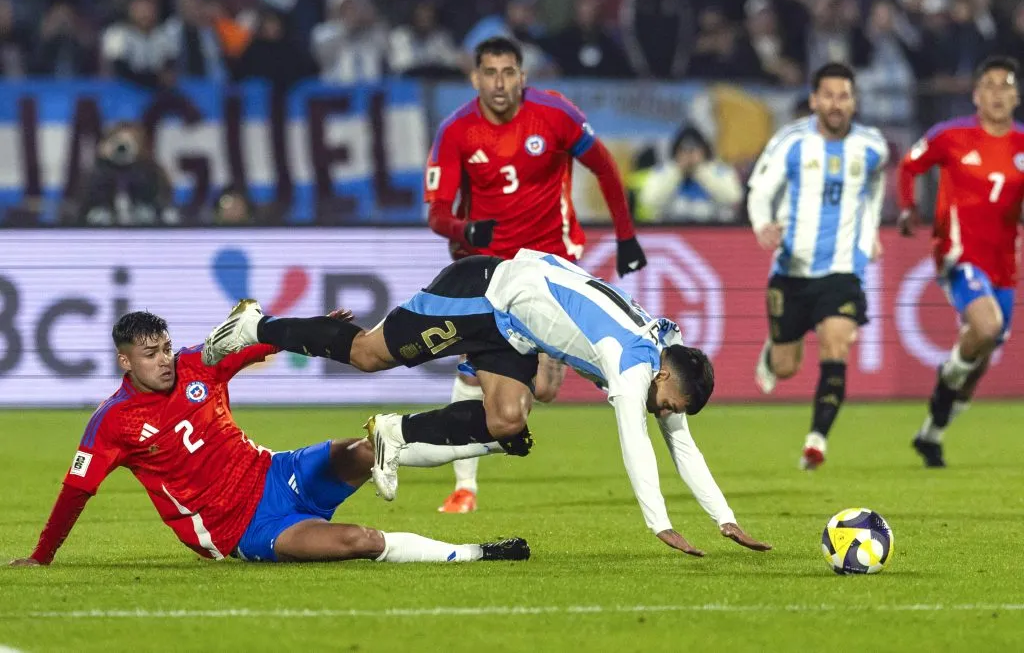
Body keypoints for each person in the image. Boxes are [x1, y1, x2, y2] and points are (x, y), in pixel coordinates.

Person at [202, 250, 772, 557]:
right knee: (368, 353)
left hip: (513, 329)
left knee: (506, 421)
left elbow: (681, 443)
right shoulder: (633, 363)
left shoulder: (660, 356)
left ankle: (392, 436)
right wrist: (661, 525)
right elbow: (636, 442)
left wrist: (726, 520)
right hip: (479, 293)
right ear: (667, 373)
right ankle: (259, 324)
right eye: (671, 402)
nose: (666, 411)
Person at [8, 311, 529, 567]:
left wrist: (320, 327)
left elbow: (258, 337)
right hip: (240, 527)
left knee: (369, 447)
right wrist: (41, 556)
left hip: (276, 472)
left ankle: (492, 436)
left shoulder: (197, 363)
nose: (165, 359)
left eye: (165, 347)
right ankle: (476, 553)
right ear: (126, 361)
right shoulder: (113, 423)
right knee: (360, 541)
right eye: (151, 353)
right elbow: (76, 491)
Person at [424, 35, 646, 513]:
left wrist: (626, 236)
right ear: (475, 77)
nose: (500, 83)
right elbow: (438, 213)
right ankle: (465, 487)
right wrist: (467, 229)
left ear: (523, 77)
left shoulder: (555, 113)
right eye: (490, 73)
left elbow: (605, 169)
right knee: (472, 373)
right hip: (486, 271)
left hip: (550, 265)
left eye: (509, 73)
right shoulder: (456, 130)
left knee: (541, 392)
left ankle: (530, 379)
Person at [747, 62, 889, 470]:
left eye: (843, 96)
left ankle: (816, 441)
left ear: (854, 101)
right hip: (792, 270)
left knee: (837, 343)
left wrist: (871, 231)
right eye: (827, 96)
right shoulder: (791, 141)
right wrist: (762, 224)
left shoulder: (872, 146)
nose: (835, 104)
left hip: (843, 271)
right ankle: (773, 349)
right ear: (813, 100)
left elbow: (875, 185)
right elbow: (760, 189)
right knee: (786, 368)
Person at [897, 55, 1024, 468]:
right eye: (990, 85)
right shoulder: (951, 136)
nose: (998, 93)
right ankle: (948, 372)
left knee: (977, 365)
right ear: (976, 94)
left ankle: (930, 434)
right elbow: (909, 165)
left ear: (1017, 96)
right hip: (958, 254)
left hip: (1004, 263)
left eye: (1006, 86)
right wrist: (906, 207)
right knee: (987, 327)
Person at [636, 125, 743, 223]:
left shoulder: (719, 171)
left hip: (713, 228)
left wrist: (700, 171)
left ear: (704, 150)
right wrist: (678, 171)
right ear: (676, 151)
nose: (688, 154)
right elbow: (649, 201)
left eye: (694, 149)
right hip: (672, 226)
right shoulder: (664, 171)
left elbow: (733, 198)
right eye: (683, 150)